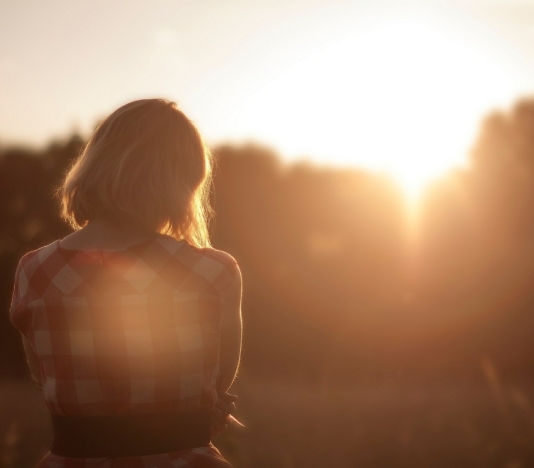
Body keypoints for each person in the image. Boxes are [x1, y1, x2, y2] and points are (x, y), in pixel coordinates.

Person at [9, 99, 243, 468]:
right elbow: (217, 385)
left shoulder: (34, 271)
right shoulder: (213, 272)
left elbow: (46, 379)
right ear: (182, 181)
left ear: (97, 162)